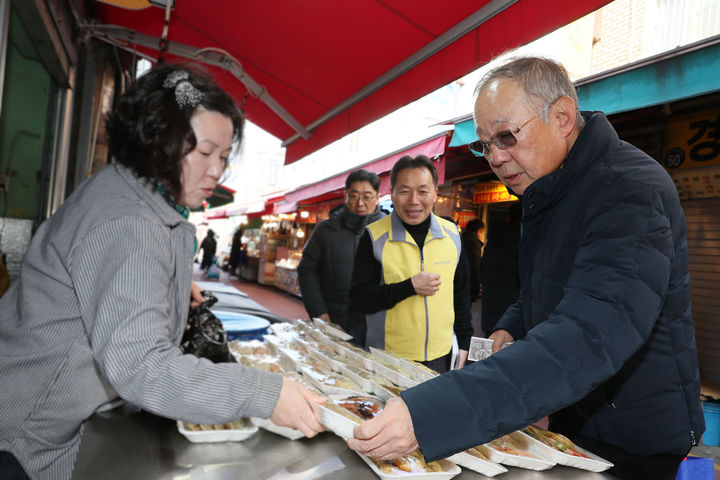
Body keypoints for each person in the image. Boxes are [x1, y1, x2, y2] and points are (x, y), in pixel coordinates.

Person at [348, 56, 704, 480]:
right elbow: (553, 282)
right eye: (484, 144)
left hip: (631, 433)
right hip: (575, 412)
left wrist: (428, 415)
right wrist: (512, 324)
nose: (495, 158)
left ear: (563, 117)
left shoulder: (629, 191)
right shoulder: (549, 189)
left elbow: (590, 334)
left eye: (506, 136)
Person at [0, 63, 324, 480]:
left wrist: (165, 283)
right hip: (21, 439)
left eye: (223, 156)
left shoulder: (125, 190)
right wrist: (264, 393)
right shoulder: (132, 223)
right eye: (204, 153)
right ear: (160, 142)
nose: (216, 171)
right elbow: (141, 365)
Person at [350, 155, 473, 373]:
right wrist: (410, 287)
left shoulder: (452, 233)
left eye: (423, 191)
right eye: (405, 191)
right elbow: (359, 299)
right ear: (393, 194)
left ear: (435, 193)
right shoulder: (374, 237)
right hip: (388, 358)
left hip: (441, 356)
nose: (414, 200)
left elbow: (461, 294)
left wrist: (464, 341)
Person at [297, 169, 386, 345]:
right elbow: (307, 270)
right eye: (354, 196)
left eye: (367, 196)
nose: (360, 203)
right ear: (345, 196)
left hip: (375, 325)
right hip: (333, 319)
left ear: (377, 197)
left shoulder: (388, 231)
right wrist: (318, 310)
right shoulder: (325, 230)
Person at [480, 203, 521, 335]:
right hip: (513, 314)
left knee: (490, 348)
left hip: (490, 310)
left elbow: (482, 269)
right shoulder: (523, 242)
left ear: (508, 217)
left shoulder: (491, 242)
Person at [461, 218, 484, 336]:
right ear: (478, 231)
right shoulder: (474, 244)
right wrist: (476, 288)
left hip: (460, 284)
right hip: (468, 286)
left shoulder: (461, 239)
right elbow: (474, 267)